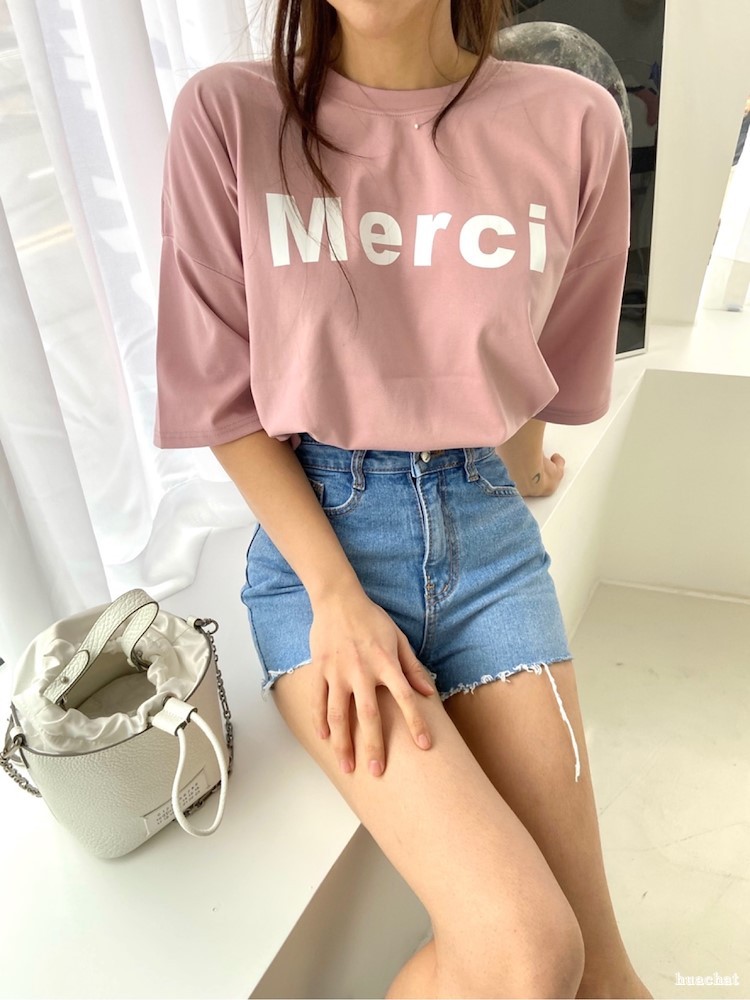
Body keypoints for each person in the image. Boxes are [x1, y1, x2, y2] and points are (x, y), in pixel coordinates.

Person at [153, 2, 652, 997]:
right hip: (321, 549)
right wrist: (335, 597)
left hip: (488, 539)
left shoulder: (574, 121)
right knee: (528, 953)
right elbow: (219, 400)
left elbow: (539, 369)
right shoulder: (230, 115)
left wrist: (523, 475)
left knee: (602, 976)